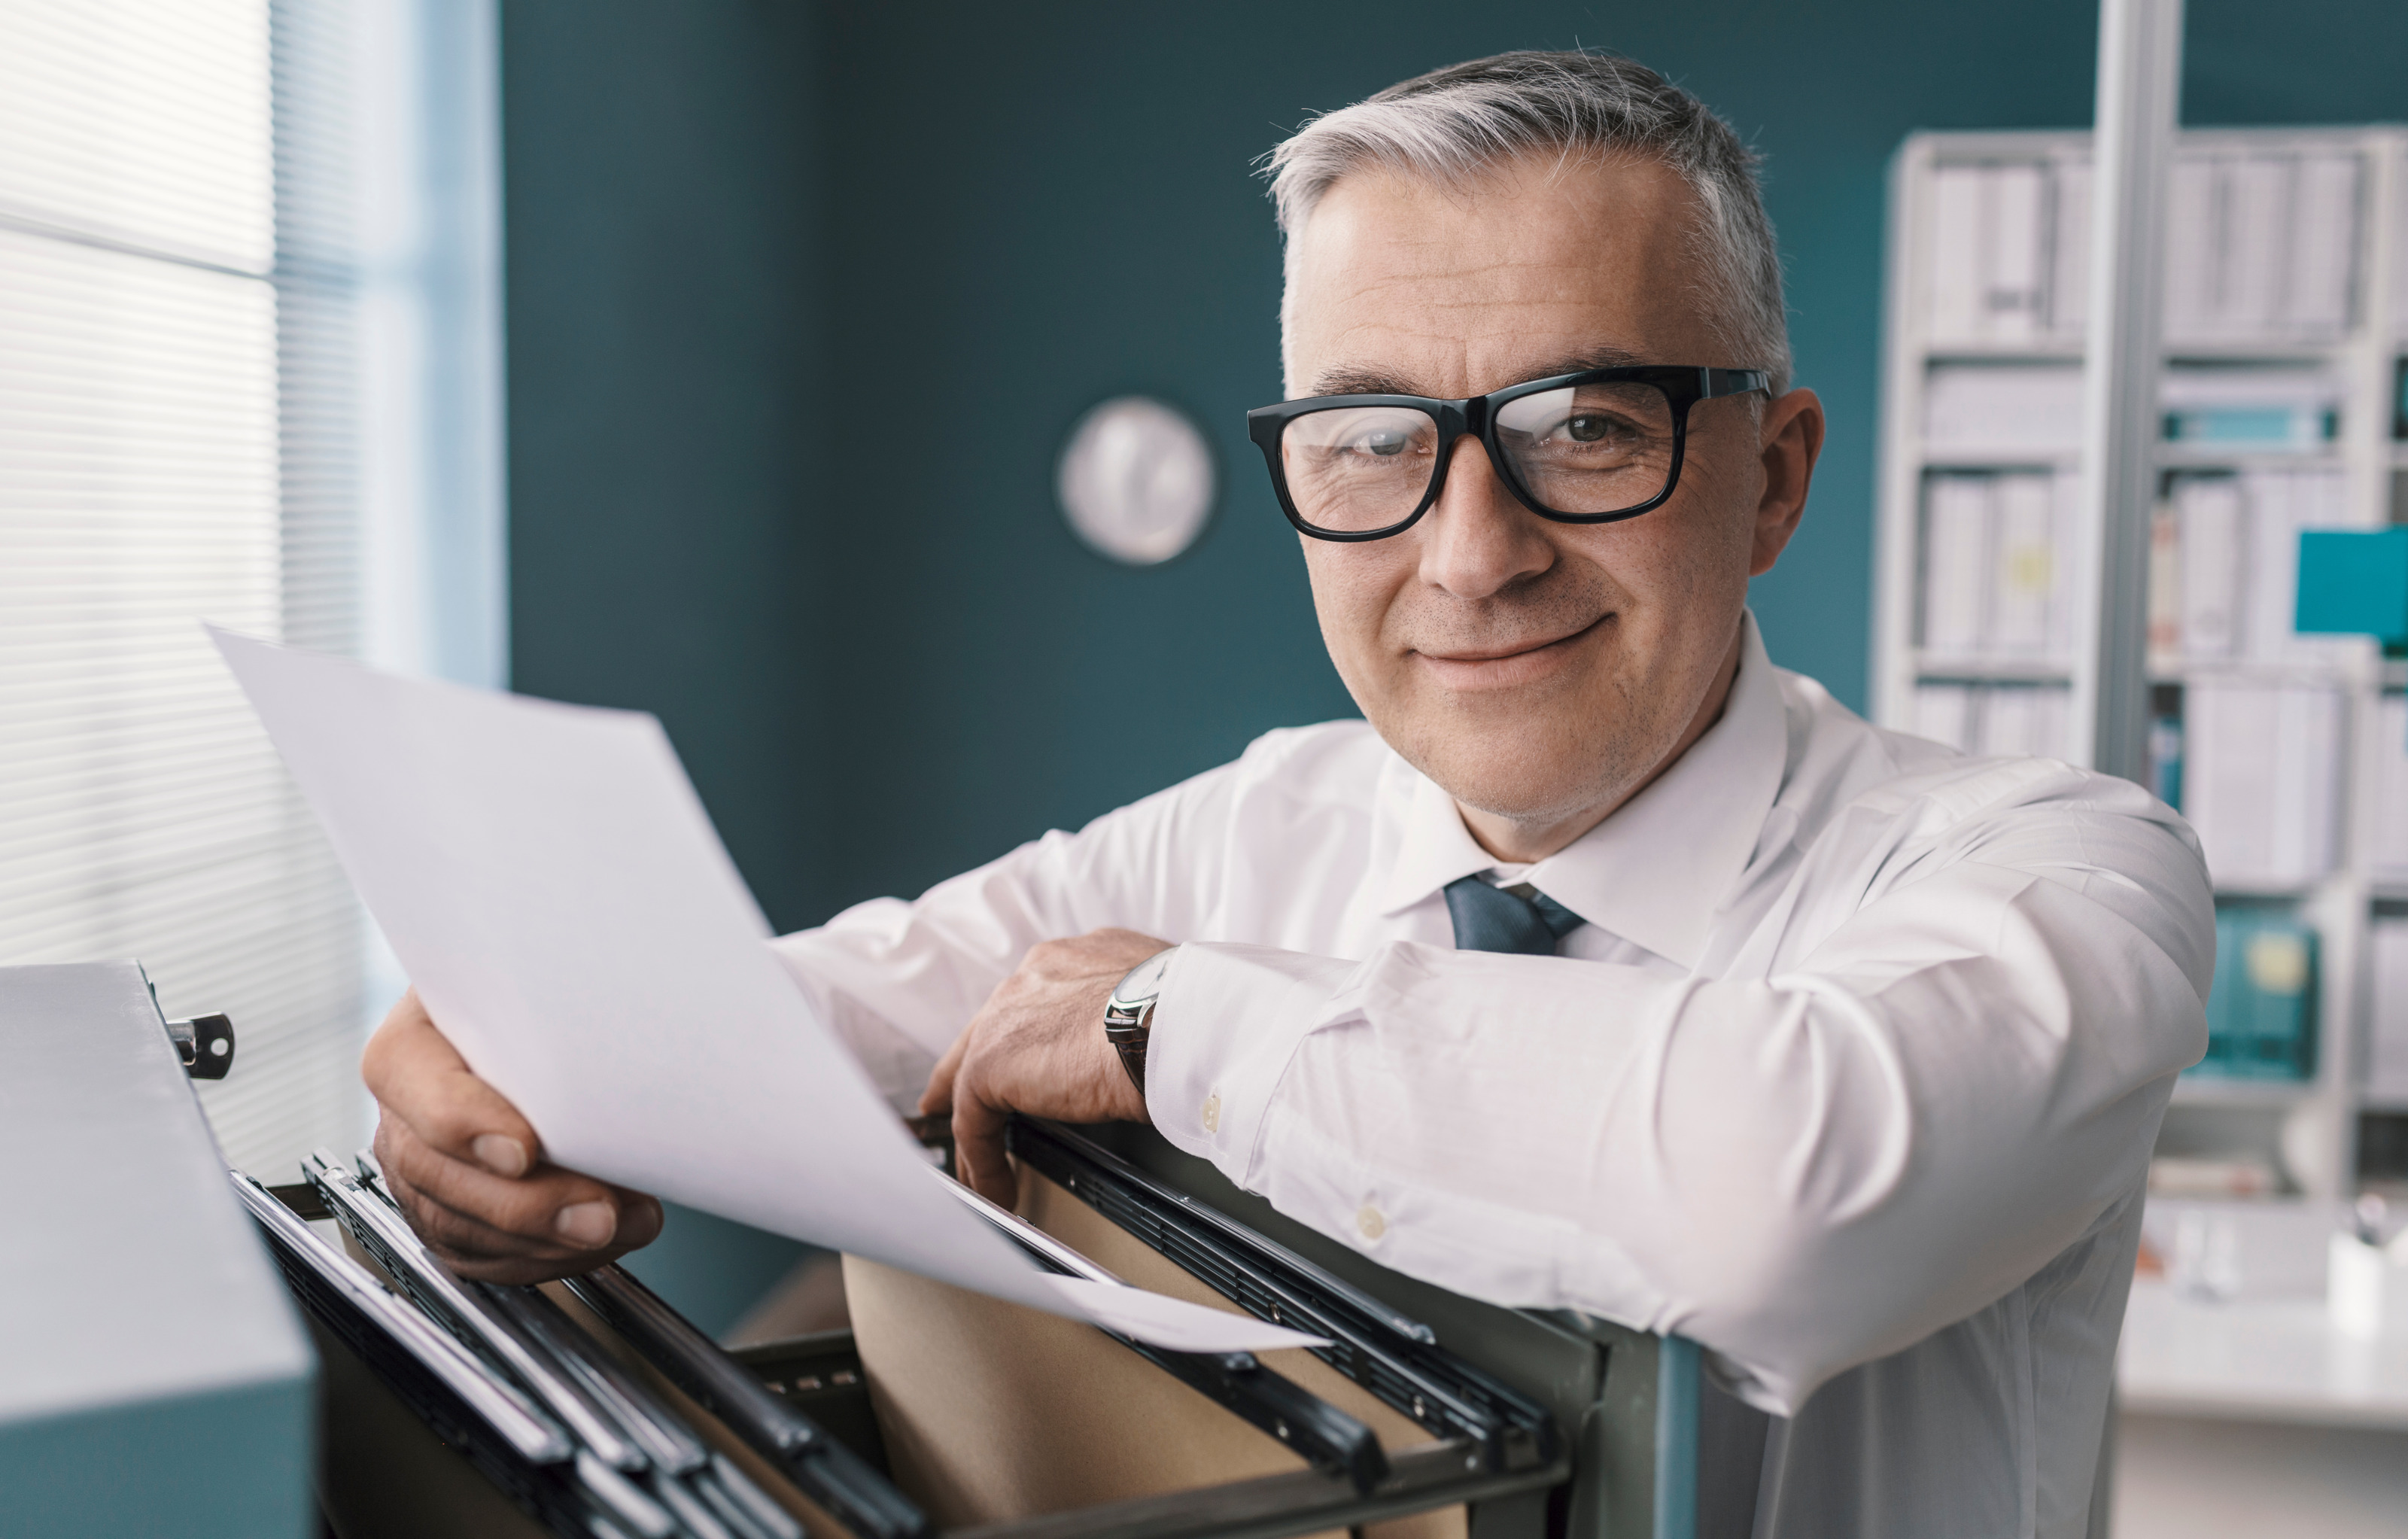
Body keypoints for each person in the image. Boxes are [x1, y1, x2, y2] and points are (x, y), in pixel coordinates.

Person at [360, 50, 2212, 1537]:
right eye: (1371, 441)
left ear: (1775, 477)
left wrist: (1182, 1021)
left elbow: (1779, 1200)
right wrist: (512, 1063)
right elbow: (810, 1013)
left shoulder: (2059, 875)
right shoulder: (1263, 826)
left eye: (1585, 428)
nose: (1469, 554)